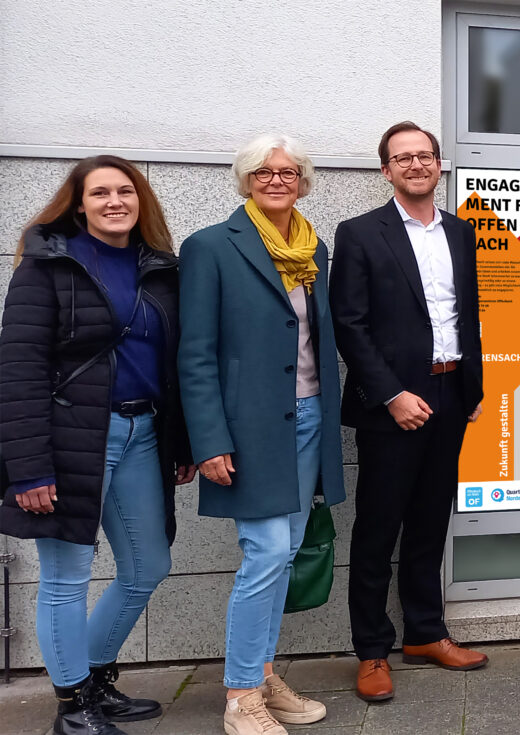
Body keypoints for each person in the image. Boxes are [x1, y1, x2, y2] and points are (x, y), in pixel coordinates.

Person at [0, 155, 194, 735]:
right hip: (68, 439)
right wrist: (29, 470)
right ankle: (73, 708)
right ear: (79, 204)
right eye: (100, 192)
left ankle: (93, 680)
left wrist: (182, 441)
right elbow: (18, 370)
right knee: (66, 577)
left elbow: (175, 364)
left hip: (142, 432)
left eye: (125, 191)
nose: (115, 201)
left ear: (140, 201)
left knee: (148, 564)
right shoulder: (47, 266)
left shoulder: (159, 268)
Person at [177, 134, 345, 735]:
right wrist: (209, 439)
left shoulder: (313, 248)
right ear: (246, 180)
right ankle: (242, 694)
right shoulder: (210, 246)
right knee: (267, 553)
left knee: (286, 553)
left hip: (309, 418)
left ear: (303, 181)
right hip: (247, 428)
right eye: (263, 172)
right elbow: (195, 353)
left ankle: (264, 673)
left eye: (288, 172)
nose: (277, 180)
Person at [330, 121, 487, 702]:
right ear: (386, 170)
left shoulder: (461, 232)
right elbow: (349, 323)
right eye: (403, 158)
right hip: (393, 402)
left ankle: (425, 633)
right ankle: (372, 650)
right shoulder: (359, 234)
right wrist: (392, 395)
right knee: (378, 529)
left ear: (439, 165)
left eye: (425, 156)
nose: (416, 165)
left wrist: (471, 389)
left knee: (430, 521)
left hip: (450, 394)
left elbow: (465, 315)